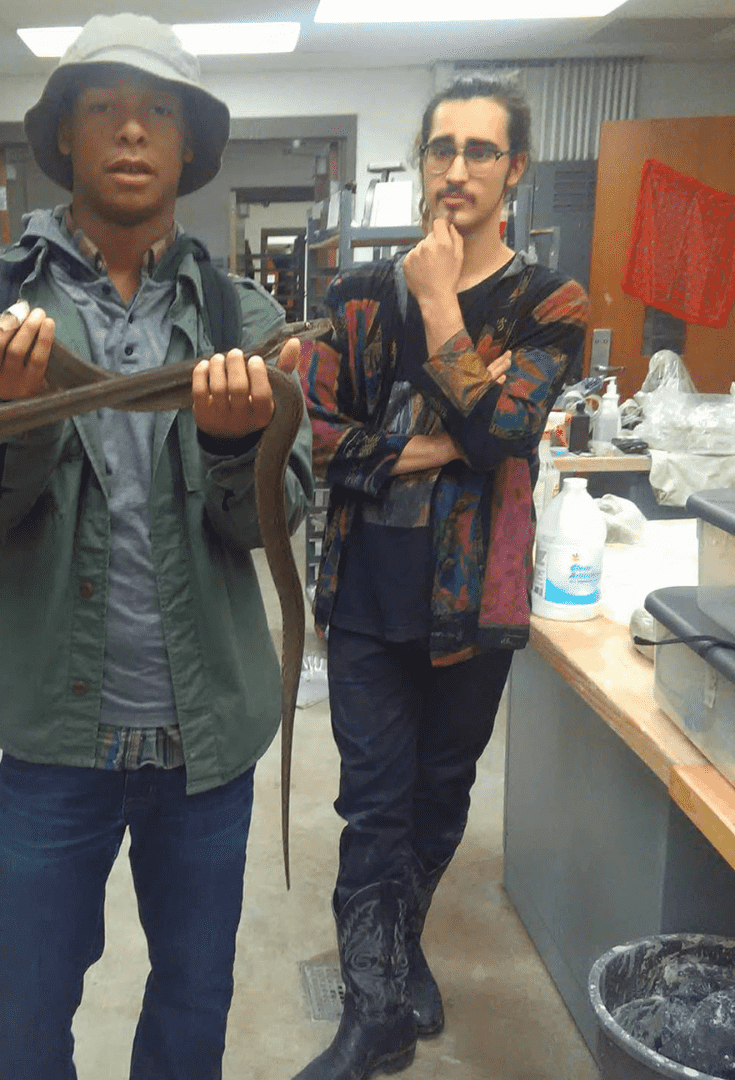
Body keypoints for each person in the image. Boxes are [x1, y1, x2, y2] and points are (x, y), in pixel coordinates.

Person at [0, 13, 313, 1080]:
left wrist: (241, 448)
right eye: (104, 108)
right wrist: (19, 415)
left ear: (191, 144)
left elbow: (268, 526)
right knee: (26, 1008)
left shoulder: (247, 315)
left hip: (207, 744)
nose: (133, 132)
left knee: (194, 1000)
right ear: (65, 138)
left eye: (159, 111)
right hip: (59, 738)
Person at [293, 76, 589, 1078]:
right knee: (373, 804)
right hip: (369, 598)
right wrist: (444, 443)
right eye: (440, 148)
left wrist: (439, 305)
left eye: (478, 150)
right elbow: (322, 442)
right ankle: (373, 1009)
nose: (455, 169)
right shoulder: (354, 300)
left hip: (480, 599)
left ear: (515, 168)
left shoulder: (550, 303)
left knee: (440, 792)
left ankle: (398, 946)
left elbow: (509, 431)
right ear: (422, 161)